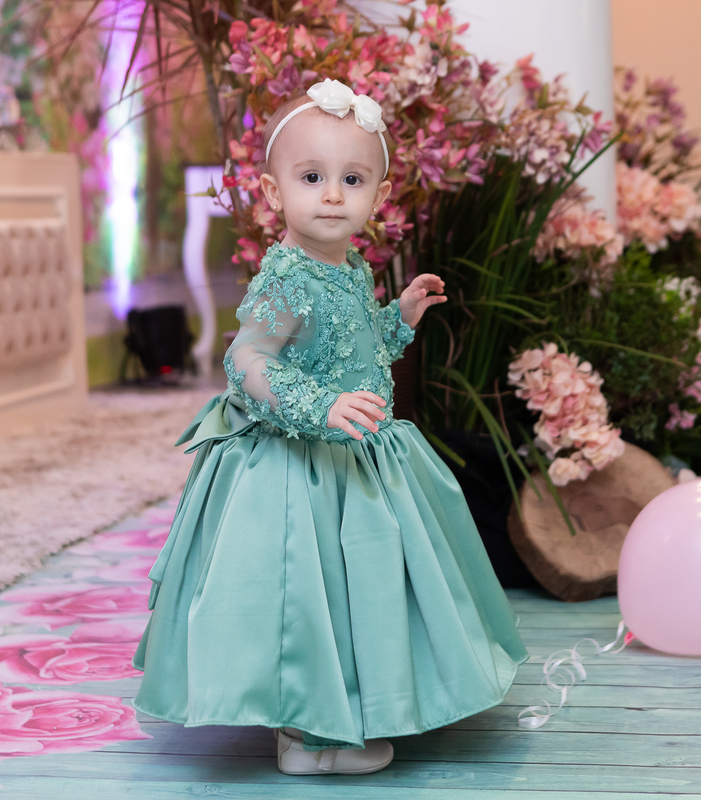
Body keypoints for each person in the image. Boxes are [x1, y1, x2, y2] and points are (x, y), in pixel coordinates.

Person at [131, 78, 530, 776]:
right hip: (299, 464)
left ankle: (357, 706)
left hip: (356, 455)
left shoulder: (347, 267)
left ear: (378, 194)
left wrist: (398, 318)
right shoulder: (287, 277)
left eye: (353, 179)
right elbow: (247, 360)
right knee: (302, 596)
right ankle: (309, 736)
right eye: (312, 177)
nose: (333, 196)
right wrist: (319, 407)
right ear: (273, 190)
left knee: (356, 591)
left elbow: (350, 349)